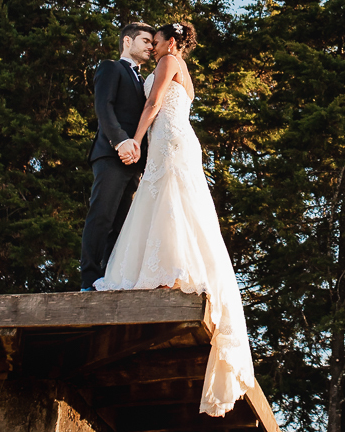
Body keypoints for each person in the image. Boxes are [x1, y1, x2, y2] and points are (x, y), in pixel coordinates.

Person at [93, 21, 255, 417]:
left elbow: (154, 104)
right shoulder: (181, 68)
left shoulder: (169, 62)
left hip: (169, 140)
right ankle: (168, 268)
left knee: (170, 200)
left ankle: (173, 271)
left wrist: (134, 137)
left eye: (158, 40)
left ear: (171, 41)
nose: (153, 46)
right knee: (168, 201)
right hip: (170, 141)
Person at [79, 21, 155, 292]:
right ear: (127, 41)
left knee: (122, 224)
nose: (150, 46)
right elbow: (104, 107)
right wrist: (120, 141)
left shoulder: (143, 80)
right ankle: (89, 279)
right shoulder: (110, 67)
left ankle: (109, 280)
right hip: (111, 155)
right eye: (145, 41)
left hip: (134, 162)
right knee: (101, 215)